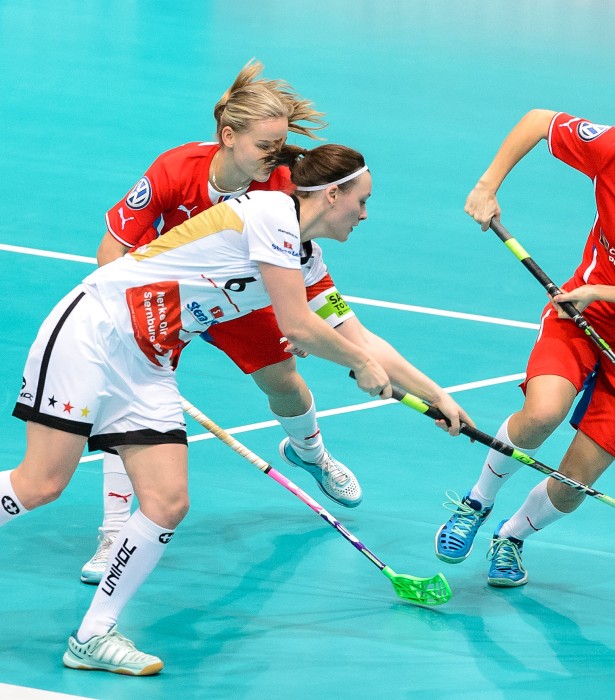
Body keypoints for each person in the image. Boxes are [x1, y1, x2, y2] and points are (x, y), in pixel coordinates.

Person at [2, 142, 467, 676]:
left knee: (166, 502)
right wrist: (360, 364)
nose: (365, 214)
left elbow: (356, 334)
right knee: (39, 484)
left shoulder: (306, 257)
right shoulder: (271, 215)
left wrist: (439, 397)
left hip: (150, 358)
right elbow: (297, 327)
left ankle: (91, 637)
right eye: (362, 201)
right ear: (332, 194)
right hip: (94, 332)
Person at [81, 60, 465, 585]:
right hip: (161, 298)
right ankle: (113, 532)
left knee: (284, 381)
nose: (278, 156)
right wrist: (121, 324)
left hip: (240, 297)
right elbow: (115, 250)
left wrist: (432, 392)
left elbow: (335, 317)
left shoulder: (284, 192)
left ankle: (311, 453)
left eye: (282, 143)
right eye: (267, 144)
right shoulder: (176, 170)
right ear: (228, 136)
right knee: (122, 407)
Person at [434, 99, 615, 587]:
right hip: (579, 315)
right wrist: (487, 186)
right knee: (541, 414)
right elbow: (536, 121)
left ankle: (511, 537)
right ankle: (477, 502)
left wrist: (598, 288)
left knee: (575, 482)